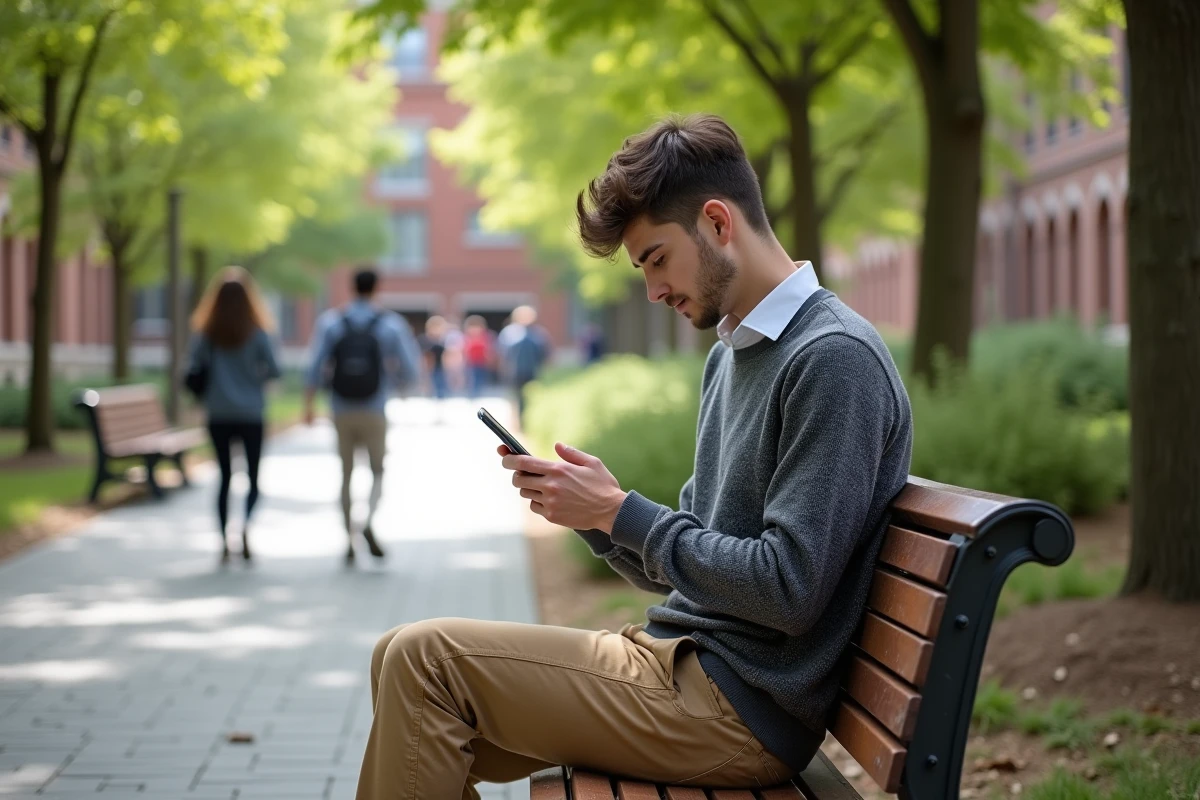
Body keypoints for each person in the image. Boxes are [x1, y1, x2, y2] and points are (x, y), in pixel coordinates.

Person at [356, 114, 913, 797]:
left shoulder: (832, 359)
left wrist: (624, 514)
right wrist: (598, 517)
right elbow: (701, 560)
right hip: (685, 671)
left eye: (655, 259)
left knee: (423, 662)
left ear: (716, 222)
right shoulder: (734, 354)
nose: (653, 290)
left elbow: (789, 590)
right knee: (398, 660)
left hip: (734, 709)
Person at [304, 268, 420, 564]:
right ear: (376, 288)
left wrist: (309, 404)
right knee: (377, 470)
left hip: (340, 408)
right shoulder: (390, 324)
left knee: (346, 473)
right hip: (374, 407)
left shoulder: (332, 322)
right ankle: (368, 520)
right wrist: (396, 385)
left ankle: (348, 538)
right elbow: (410, 369)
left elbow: (314, 366)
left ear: (352, 287)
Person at [186, 266, 281, 563]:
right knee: (253, 477)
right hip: (251, 413)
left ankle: (224, 540)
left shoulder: (207, 334)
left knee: (225, 477)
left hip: (219, 413)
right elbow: (274, 371)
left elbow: (191, 369)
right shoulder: (258, 333)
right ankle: (246, 528)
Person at [497, 304, 550, 417]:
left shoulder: (537, 334)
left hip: (532, 371)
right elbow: (503, 353)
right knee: (515, 398)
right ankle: (516, 420)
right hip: (514, 372)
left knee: (531, 397)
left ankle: (528, 420)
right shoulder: (509, 333)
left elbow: (543, 353)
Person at [461, 315, 495, 398]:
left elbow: (489, 350)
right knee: (472, 380)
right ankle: (473, 395)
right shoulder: (467, 337)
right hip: (470, 363)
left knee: (480, 380)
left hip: (481, 363)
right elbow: (464, 350)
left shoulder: (486, 336)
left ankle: (477, 395)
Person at [419, 315, 450, 400]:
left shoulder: (443, 340)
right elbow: (425, 355)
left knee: (441, 387)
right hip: (430, 367)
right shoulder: (426, 340)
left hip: (440, 367)